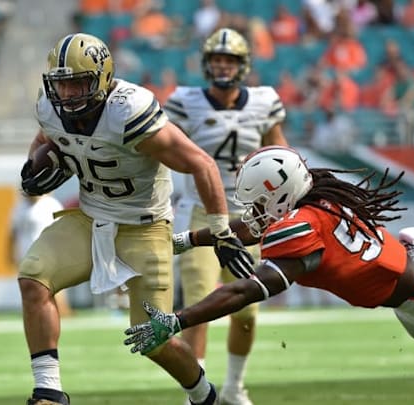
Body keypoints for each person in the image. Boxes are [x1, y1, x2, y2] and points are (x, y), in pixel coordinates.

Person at [125, 146, 414, 405]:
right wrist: (186, 239)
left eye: (260, 202)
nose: (254, 212)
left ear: (281, 194)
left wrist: (179, 319)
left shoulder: (299, 226)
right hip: (410, 294)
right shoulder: (312, 201)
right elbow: (248, 229)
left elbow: (246, 290)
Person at [18, 32, 253, 405]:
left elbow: (201, 163)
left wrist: (222, 231)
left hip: (144, 227)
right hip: (90, 218)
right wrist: (36, 164)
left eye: (79, 83)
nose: (69, 95)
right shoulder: (50, 106)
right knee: (33, 277)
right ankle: (48, 390)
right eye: (62, 85)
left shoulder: (128, 111)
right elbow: (47, 136)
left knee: (152, 337)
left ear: (103, 78)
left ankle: (204, 396)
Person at [163, 27, 287, 405]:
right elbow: (163, 146)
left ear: (243, 65)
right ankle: (196, 393)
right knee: (199, 306)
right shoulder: (185, 102)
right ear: (205, 64)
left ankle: (234, 387)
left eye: (228, 60)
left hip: (249, 218)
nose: (221, 66)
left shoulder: (264, 102)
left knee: (247, 309)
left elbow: (279, 150)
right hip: (201, 213)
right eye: (216, 59)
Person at [8, 192, 72, 317]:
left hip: (48, 252)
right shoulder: (19, 207)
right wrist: (10, 253)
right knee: (33, 287)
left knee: (53, 285)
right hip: (27, 254)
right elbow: (13, 233)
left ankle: (62, 312)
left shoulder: (51, 204)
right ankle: (40, 314)